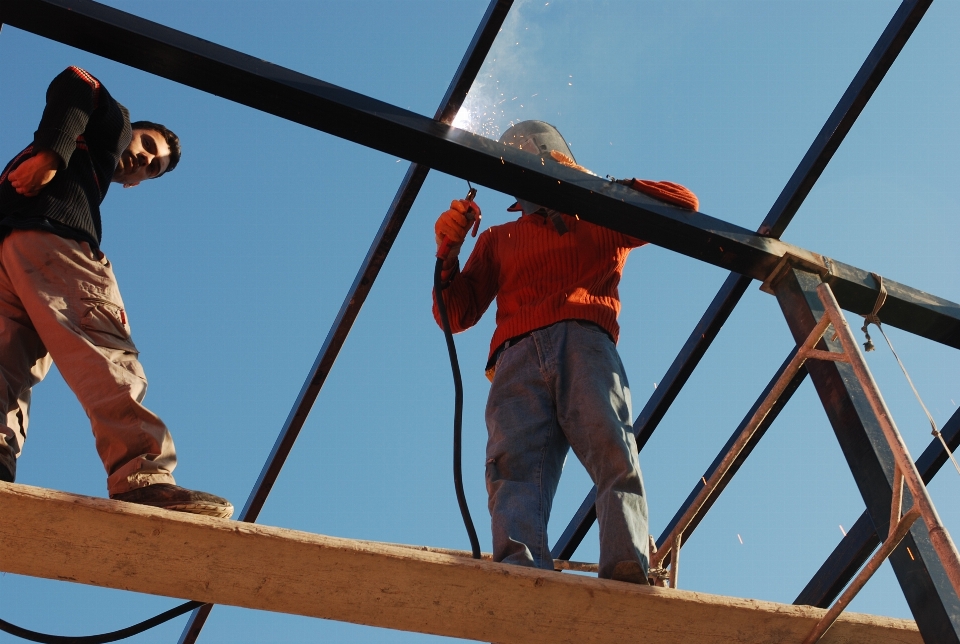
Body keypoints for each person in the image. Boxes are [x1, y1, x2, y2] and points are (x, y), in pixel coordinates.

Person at [432, 120, 698, 583]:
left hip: (585, 343)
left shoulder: (599, 215)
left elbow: (683, 204)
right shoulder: (499, 239)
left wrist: (589, 185)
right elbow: (455, 315)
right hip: (515, 360)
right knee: (512, 470)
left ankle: (626, 574)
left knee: (613, 453)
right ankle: (520, 580)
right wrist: (447, 253)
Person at [0, 66, 233, 518]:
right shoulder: (112, 124)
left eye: (155, 166)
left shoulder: (89, 172)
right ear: (127, 132)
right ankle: (141, 475)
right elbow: (78, 81)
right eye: (147, 145)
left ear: (133, 185)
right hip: (54, 241)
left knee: (6, 365)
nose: (146, 159)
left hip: (16, 252)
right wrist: (51, 153)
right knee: (101, 352)